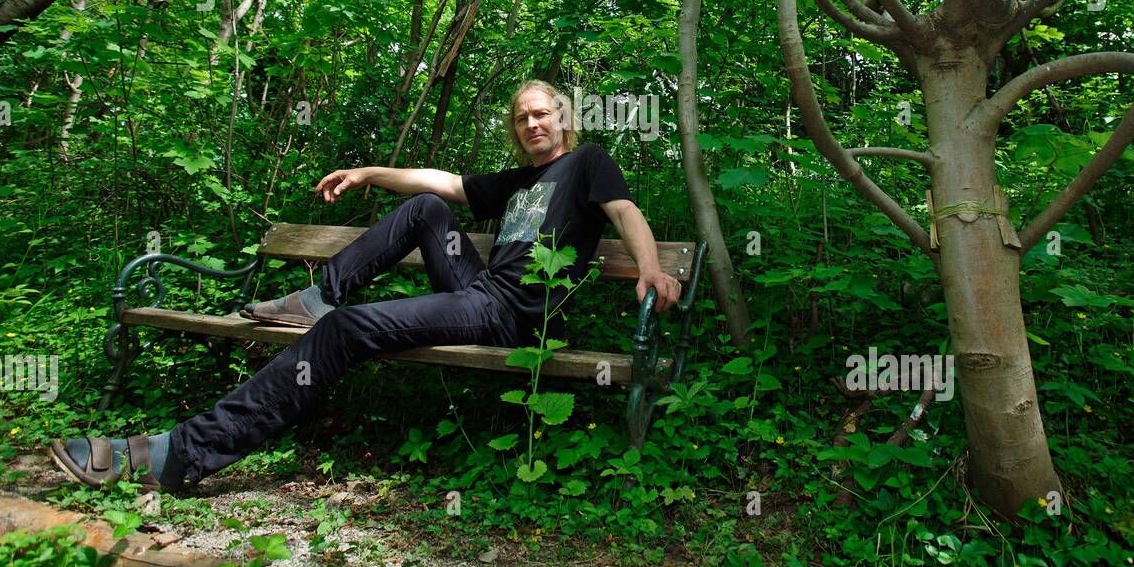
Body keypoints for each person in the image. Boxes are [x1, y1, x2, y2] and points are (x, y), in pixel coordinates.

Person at [49, 79, 682, 491]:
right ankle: (320, 295)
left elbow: (624, 213)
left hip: (515, 315)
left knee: (349, 331)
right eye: (521, 118)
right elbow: (447, 185)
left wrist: (650, 268)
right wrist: (368, 172)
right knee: (427, 210)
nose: (531, 124)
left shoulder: (588, 163)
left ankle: (181, 453)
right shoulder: (518, 181)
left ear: (563, 118)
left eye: (541, 114)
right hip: (480, 292)